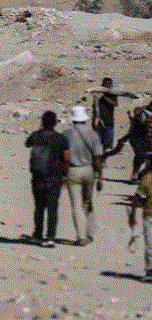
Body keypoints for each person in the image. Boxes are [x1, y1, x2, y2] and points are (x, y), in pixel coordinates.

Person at [26, 111, 70, 248]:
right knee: (52, 207)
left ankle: (37, 234)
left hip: (38, 177)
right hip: (54, 178)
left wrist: (39, 129)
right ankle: (50, 237)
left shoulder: (35, 136)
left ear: (42, 122)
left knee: (39, 207)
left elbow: (27, 144)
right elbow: (66, 158)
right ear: (55, 123)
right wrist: (65, 175)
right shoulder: (61, 138)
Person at [63, 106, 103, 246]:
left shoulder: (66, 134)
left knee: (76, 204)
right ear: (85, 119)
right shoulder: (93, 134)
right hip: (89, 170)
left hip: (73, 170)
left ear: (73, 120)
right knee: (87, 202)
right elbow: (98, 157)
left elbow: (64, 157)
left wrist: (63, 174)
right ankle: (90, 233)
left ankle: (81, 236)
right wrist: (100, 177)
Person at [128, 169, 152, 282]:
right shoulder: (147, 178)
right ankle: (150, 271)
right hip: (149, 216)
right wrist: (132, 215)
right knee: (150, 245)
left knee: (150, 245)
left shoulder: (146, 178)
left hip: (148, 216)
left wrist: (132, 215)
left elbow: (137, 197)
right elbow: (137, 196)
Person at [96, 77, 117, 151]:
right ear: (103, 84)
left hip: (109, 122)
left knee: (108, 146)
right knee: (98, 144)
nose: (107, 85)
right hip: (100, 122)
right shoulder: (98, 94)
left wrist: (105, 97)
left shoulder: (113, 94)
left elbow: (115, 104)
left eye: (109, 84)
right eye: (106, 84)